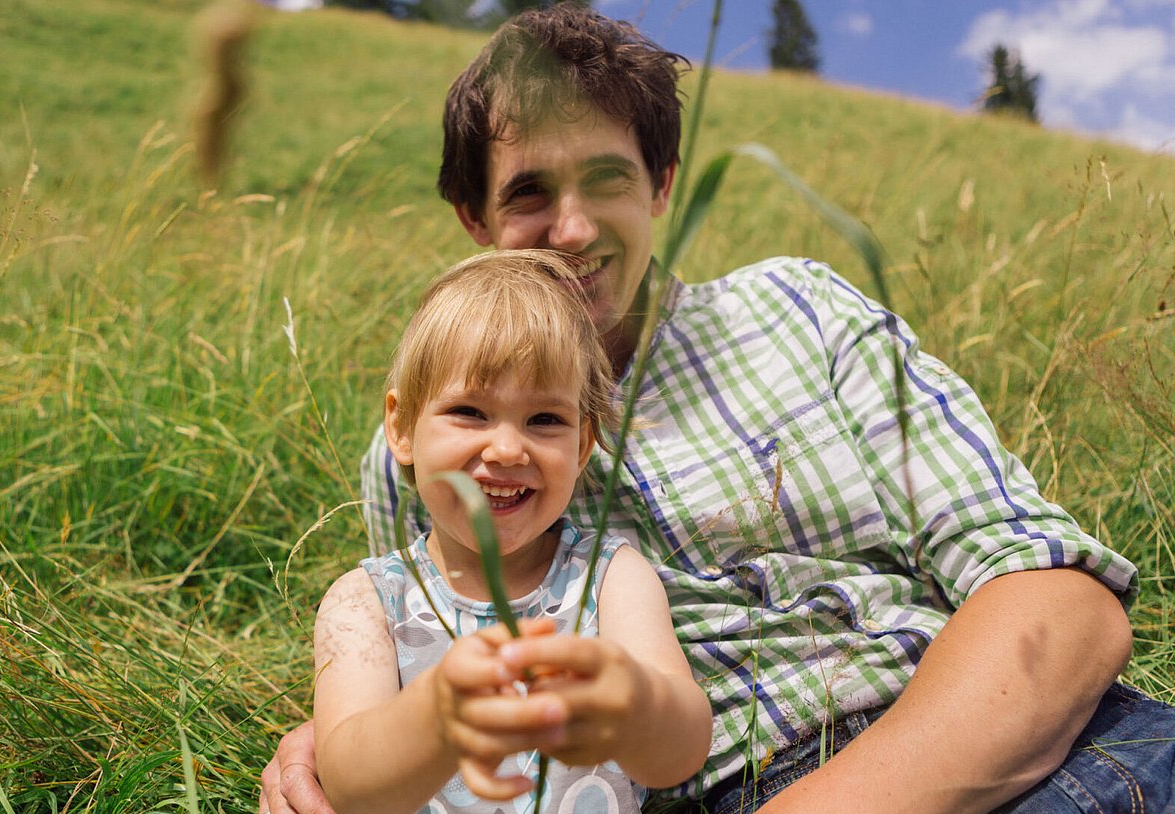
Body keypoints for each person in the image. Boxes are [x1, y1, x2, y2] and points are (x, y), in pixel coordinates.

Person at [265, 4, 1175, 812]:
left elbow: (1060, 603)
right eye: (530, 193)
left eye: (609, 180)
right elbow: (405, 657)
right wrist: (340, 748)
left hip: (1015, 749)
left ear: (662, 187)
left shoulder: (800, 314)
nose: (573, 229)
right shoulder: (420, 452)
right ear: (475, 219)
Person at [313, 249, 712, 814]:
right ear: (401, 428)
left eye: (544, 419)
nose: (505, 449)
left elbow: (682, 752)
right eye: (469, 412)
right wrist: (434, 716)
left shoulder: (609, 576)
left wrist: (635, 703)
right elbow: (349, 786)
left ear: (581, 446)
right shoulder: (366, 602)